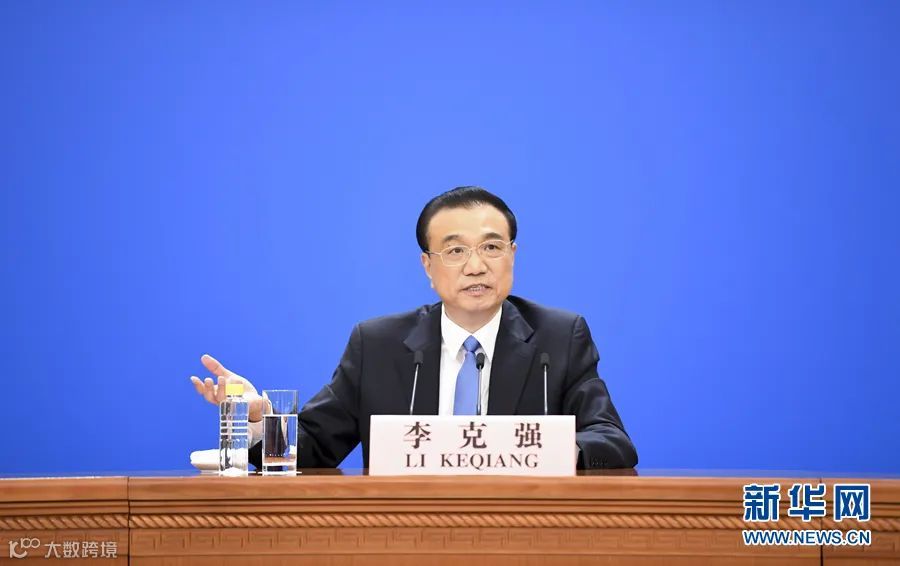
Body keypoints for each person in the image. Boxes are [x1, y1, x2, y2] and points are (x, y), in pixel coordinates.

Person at [191, 186, 637, 469]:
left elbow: (612, 442)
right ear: (428, 265)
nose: (476, 266)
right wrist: (259, 422)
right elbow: (316, 445)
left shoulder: (558, 338)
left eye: (492, 247)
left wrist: (545, 451)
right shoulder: (378, 345)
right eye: (455, 251)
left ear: (512, 255)